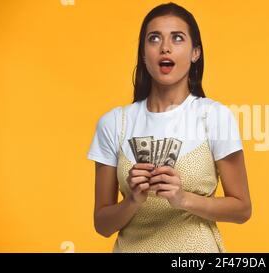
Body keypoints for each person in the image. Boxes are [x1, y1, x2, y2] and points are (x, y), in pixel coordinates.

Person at [87, 2, 251, 253]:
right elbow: (102, 225)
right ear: (143, 53)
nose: (165, 48)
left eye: (177, 38)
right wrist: (132, 200)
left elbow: (242, 209)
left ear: (195, 52)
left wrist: (182, 198)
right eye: (154, 39)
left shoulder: (215, 116)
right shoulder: (113, 124)